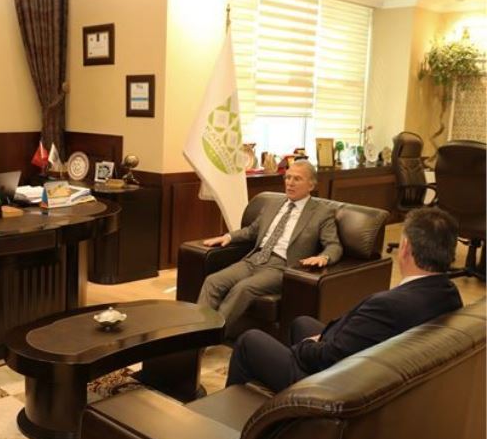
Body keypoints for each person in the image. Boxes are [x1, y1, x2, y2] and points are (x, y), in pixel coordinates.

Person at [226, 207, 463, 392]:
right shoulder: (449, 294)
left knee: (249, 341)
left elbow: (331, 357)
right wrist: (323, 339)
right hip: (368, 365)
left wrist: (308, 347)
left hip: (332, 387)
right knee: (301, 322)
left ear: (405, 248)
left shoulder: (387, 306)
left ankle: (229, 418)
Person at [197, 160, 342, 331]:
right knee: (213, 281)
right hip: (254, 259)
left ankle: (210, 336)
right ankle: (196, 334)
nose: (290, 183)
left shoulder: (322, 212)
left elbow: (334, 245)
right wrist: (228, 237)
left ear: (311, 185)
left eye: (297, 179)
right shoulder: (273, 204)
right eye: (288, 177)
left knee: (243, 288)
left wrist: (324, 257)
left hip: (280, 266)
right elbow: (252, 231)